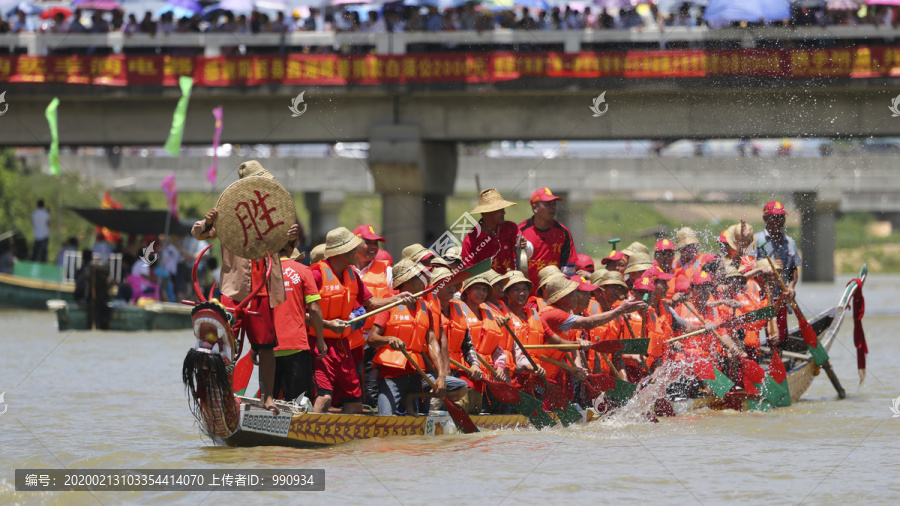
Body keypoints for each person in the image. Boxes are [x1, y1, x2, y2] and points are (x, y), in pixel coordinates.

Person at [191, 161, 299, 415]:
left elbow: (286, 248)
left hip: (264, 288)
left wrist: (291, 236)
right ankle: (224, 394)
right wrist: (208, 223)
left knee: (265, 346)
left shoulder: (273, 212)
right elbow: (198, 233)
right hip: (234, 290)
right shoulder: (227, 214)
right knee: (224, 344)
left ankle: (268, 398)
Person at [310, 227, 416, 414]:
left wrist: (397, 299)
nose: (358, 252)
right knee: (325, 397)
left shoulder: (351, 274)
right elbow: (300, 314)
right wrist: (327, 325)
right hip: (319, 343)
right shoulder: (316, 273)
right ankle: (309, 436)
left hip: (344, 345)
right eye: (354, 249)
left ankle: (344, 441)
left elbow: (370, 303)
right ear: (342, 252)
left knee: (355, 403)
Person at [368, 259, 468, 415]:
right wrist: (388, 339)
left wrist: (441, 375)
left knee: (461, 387)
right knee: (385, 418)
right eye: (419, 277)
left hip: (417, 375)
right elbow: (372, 339)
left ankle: (412, 396)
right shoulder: (389, 304)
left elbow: (432, 342)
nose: (425, 281)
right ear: (407, 282)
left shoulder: (425, 308)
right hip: (392, 375)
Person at [538, 275, 645, 409]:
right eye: (574, 294)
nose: (577, 297)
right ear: (563, 297)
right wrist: (619, 310)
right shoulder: (553, 314)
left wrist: (576, 367)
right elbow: (587, 324)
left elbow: (568, 345)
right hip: (541, 375)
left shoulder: (565, 312)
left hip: (558, 374)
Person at [273, 240, 327, 403]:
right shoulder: (303, 270)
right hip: (296, 344)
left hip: (269, 346)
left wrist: (255, 346)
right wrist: (320, 339)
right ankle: (296, 427)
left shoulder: (265, 272)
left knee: (270, 399)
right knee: (299, 400)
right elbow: (314, 308)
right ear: (290, 248)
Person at [353, 224, 394, 407]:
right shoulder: (342, 269)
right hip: (347, 337)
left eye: (376, 243)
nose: (373, 247)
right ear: (355, 244)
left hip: (374, 338)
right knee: (350, 385)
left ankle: (375, 420)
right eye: (368, 242)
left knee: (371, 388)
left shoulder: (387, 271)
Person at [754, 201, 800, 346]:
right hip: (758, 297)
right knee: (752, 338)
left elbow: (794, 271)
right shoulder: (754, 240)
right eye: (775, 217)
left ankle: (777, 359)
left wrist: (791, 286)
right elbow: (746, 266)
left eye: (782, 218)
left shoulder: (790, 242)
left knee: (779, 339)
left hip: (781, 297)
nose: (779, 221)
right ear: (765, 219)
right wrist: (766, 266)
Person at [518, 187, 578, 289]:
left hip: (553, 291)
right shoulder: (520, 231)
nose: (552, 208)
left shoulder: (563, 232)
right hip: (526, 293)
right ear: (535, 208)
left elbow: (568, 268)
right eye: (547, 204)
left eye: (554, 204)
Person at [461, 188, 520, 275]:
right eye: (500, 210)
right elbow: (471, 275)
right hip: (486, 286)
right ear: (487, 213)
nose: (504, 212)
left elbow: (523, 245)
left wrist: (522, 243)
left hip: (509, 285)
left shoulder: (511, 228)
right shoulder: (470, 241)